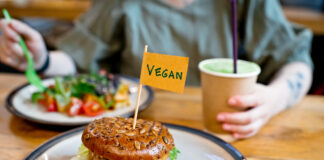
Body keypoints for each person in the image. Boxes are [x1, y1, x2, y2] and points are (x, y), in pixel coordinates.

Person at [0, 0, 313, 139]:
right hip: (135, 128)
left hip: (224, 134)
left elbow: (296, 59)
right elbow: (79, 59)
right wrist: (39, 59)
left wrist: (275, 98)